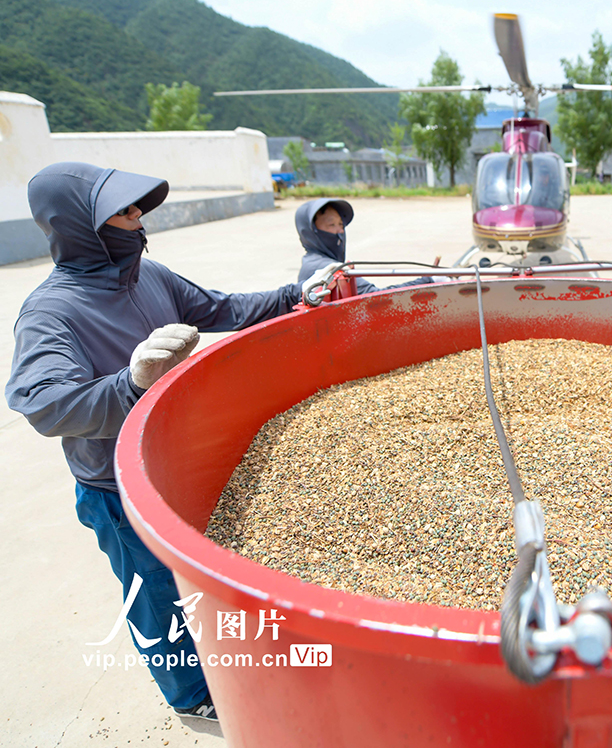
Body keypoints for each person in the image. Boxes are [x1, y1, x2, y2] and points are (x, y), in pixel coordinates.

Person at [5, 162, 322, 723]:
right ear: (84, 226)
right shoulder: (52, 310)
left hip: (177, 462)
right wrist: (129, 384)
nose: (138, 220)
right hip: (116, 485)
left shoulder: (149, 276)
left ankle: (217, 662)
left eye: (137, 209)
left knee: (194, 582)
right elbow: (43, 402)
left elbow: (221, 308)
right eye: (124, 212)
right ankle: (192, 698)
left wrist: (298, 293)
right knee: (153, 595)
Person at [296, 198, 435, 291]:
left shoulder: (319, 262)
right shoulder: (322, 268)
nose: (340, 231)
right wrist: (429, 281)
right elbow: (374, 297)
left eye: (340, 224)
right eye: (331, 224)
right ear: (311, 232)